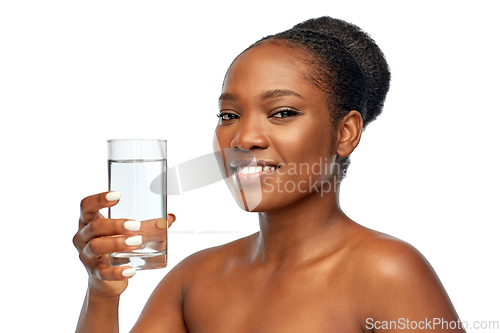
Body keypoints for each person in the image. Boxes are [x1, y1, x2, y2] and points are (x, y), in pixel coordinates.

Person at [74, 17, 465, 332]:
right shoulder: (194, 281)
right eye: (229, 116)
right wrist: (102, 293)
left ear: (345, 132)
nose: (244, 138)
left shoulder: (387, 272)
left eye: (282, 113)